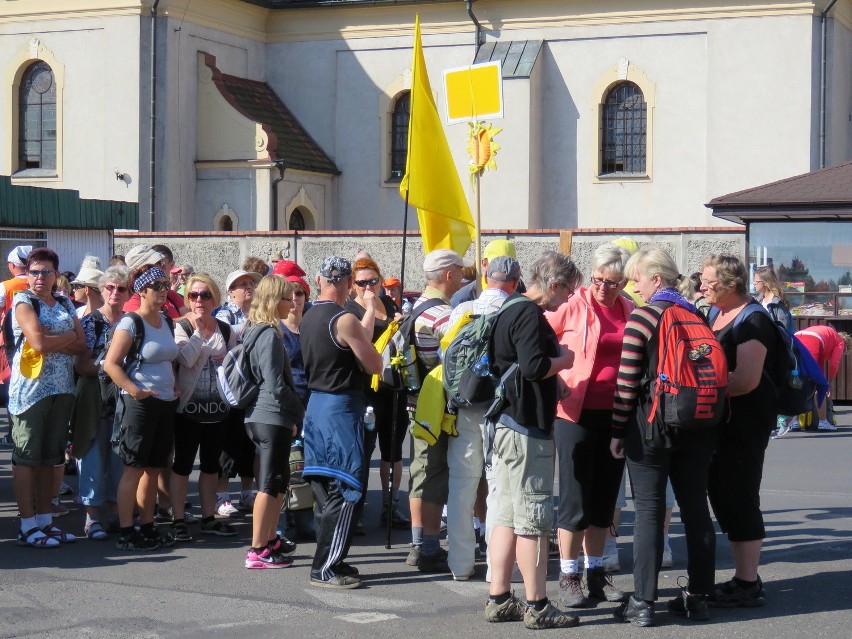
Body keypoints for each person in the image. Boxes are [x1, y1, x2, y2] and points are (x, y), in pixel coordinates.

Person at [609, 248, 718, 627]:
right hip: (698, 425)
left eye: (637, 277)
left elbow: (626, 383)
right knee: (696, 512)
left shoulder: (643, 318)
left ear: (656, 279)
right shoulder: (697, 314)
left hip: (651, 427)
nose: (633, 285)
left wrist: (617, 430)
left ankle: (643, 603)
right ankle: (699, 597)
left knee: (650, 514)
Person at [484, 250, 579, 629]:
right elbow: (534, 366)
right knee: (533, 519)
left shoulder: (509, 307)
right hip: (527, 428)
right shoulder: (527, 312)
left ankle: (500, 596)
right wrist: (565, 361)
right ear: (554, 284)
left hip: (507, 423)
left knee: (506, 516)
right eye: (568, 290)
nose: (569, 298)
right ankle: (538, 606)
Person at [546, 242, 633, 608]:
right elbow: (539, 337)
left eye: (612, 282)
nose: (603, 288)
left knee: (604, 496)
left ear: (624, 282)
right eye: (598, 279)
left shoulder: (630, 308)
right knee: (575, 496)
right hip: (574, 412)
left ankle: (595, 572)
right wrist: (554, 379)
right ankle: (569, 575)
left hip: (615, 413)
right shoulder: (573, 303)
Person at [300, 256, 383, 588]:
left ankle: (332, 560)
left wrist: (366, 312)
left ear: (320, 281)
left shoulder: (309, 316)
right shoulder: (343, 319)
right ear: (348, 283)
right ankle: (325, 566)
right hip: (340, 408)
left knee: (325, 489)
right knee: (346, 488)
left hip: (316, 406)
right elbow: (374, 364)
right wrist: (368, 313)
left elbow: (351, 342)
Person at [701, 253, 778, 608]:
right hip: (723, 423)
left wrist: (700, 388)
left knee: (741, 497)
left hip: (745, 424)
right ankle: (742, 578)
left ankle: (748, 582)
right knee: (723, 495)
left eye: (709, 281)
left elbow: (746, 380)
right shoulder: (718, 313)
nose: (702, 286)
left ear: (731, 285)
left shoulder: (753, 319)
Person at [445, 255, 522, 581]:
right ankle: (496, 568)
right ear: (515, 283)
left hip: (464, 406)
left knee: (461, 485)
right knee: (498, 489)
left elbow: (445, 353)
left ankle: (460, 565)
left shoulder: (463, 310)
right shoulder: (516, 311)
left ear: (487, 278)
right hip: (501, 409)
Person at [9, 248, 87, 548]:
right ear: (27, 274)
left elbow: (82, 347)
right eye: (34, 271)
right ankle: (26, 526)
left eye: (46, 272)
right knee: (27, 458)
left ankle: (44, 521)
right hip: (30, 391)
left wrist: (58, 341)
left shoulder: (66, 301)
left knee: (50, 458)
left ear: (56, 275)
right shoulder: (23, 301)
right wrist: (67, 339)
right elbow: (38, 343)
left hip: (62, 387)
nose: (39, 277)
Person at [103, 263, 179, 551]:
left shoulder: (167, 322)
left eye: (166, 285)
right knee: (134, 468)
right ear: (143, 290)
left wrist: (174, 384)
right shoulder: (131, 323)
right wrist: (135, 390)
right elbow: (111, 364)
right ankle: (126, 529)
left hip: (166, 402)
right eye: (157, 286)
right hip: (140, 405)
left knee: (154, 469)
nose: (164, 291)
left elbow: (169, 358)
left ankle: (147, 526)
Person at [407, 248, 472, 573]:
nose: (462, 278)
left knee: (423, 472)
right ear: (449, 275)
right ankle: (426, 546)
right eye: (460, 272)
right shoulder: (441, 316)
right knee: (432, 474)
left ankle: (421, 543)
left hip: (419, 402)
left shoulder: (418, 306)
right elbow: (465, 351)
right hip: (435, 405)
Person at [170, 273, 239, 542]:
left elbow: (235, 365)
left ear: (215, 297)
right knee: (183, 465)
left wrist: (227, 358)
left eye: (205, 295)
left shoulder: (225, 329)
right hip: (187, 410)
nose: (199, 300)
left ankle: (208, 517)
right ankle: (177, 519)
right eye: (194, 295)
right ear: (187, 299)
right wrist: (198, 332)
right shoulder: (181, 327)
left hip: (219, 410)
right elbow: (185, 360)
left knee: (211, 467)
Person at [242, 275, 305, 569]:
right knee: (269, 484)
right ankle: (257, 550)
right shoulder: (267, 334)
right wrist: (298, 410)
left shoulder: (263, 331)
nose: (291, 303)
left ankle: (268, 541)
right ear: (272, 301)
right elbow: (276, 384)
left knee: (277, 481)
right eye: (286, 297)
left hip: (268, 416)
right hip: (269, 416)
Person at [344, 257, 409, 532]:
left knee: (392, 451)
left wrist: (402, 322)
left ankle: (390, 506)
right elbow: (364, 339)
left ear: (381, 281)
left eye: (373, 281)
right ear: (352, 286)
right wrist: (370, 307)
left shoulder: (391, 304)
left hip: (394, 387)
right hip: (367, 390)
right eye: (361, 283)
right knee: (363, 450)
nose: (368, 287)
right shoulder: (352, 310)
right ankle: (355, 510)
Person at [72, 265, 131, 539]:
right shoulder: (89, 322)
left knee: (120, 456)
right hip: (95, 396)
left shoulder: (130, 322)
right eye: (110, 287)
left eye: (121, 288)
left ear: (128, 292)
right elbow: (81, 365)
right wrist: (110, 368)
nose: (115, 293)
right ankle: (92, 517)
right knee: (93, 455)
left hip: (123, 399)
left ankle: (116, 512)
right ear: (101, 290)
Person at [214, 269, 263, 516]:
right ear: (231, 292)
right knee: (228, 442)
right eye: (242, 284)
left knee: (249, 443)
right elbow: (231, 337)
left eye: (251, 283)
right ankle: (222, 496)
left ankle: (246, 492)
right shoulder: (224, 314)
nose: (249, 287)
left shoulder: (259, 313)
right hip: (232, 388)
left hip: (253, 385)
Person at [795, 324, 850, 430]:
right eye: (844, 352)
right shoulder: (840, 341)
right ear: (846, 345)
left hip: (797, 337)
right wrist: (828, 383)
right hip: (813, 341)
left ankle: (795, 422)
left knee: (798, 383)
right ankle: (823, 422)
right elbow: (834, 364)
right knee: (820, 387)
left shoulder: (828, 334)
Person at [123, 245, 188, 319]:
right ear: (140, 271)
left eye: (160, 263)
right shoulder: (132, 300)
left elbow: (191, 320)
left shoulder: (170, 295)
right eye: (157, 264)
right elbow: (150, 325)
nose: (162, 267)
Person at [451, 239, 517, 307]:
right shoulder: (463, 298)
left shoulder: (520, 290)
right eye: (496, 264)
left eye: (508, 264)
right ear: (484, 264)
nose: (503, 269)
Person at [753, 265, 794, 332]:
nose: (754, 284)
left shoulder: (777, 304)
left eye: (756, 281)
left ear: (766, 283)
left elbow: (783, 332)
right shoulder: (758, 301)